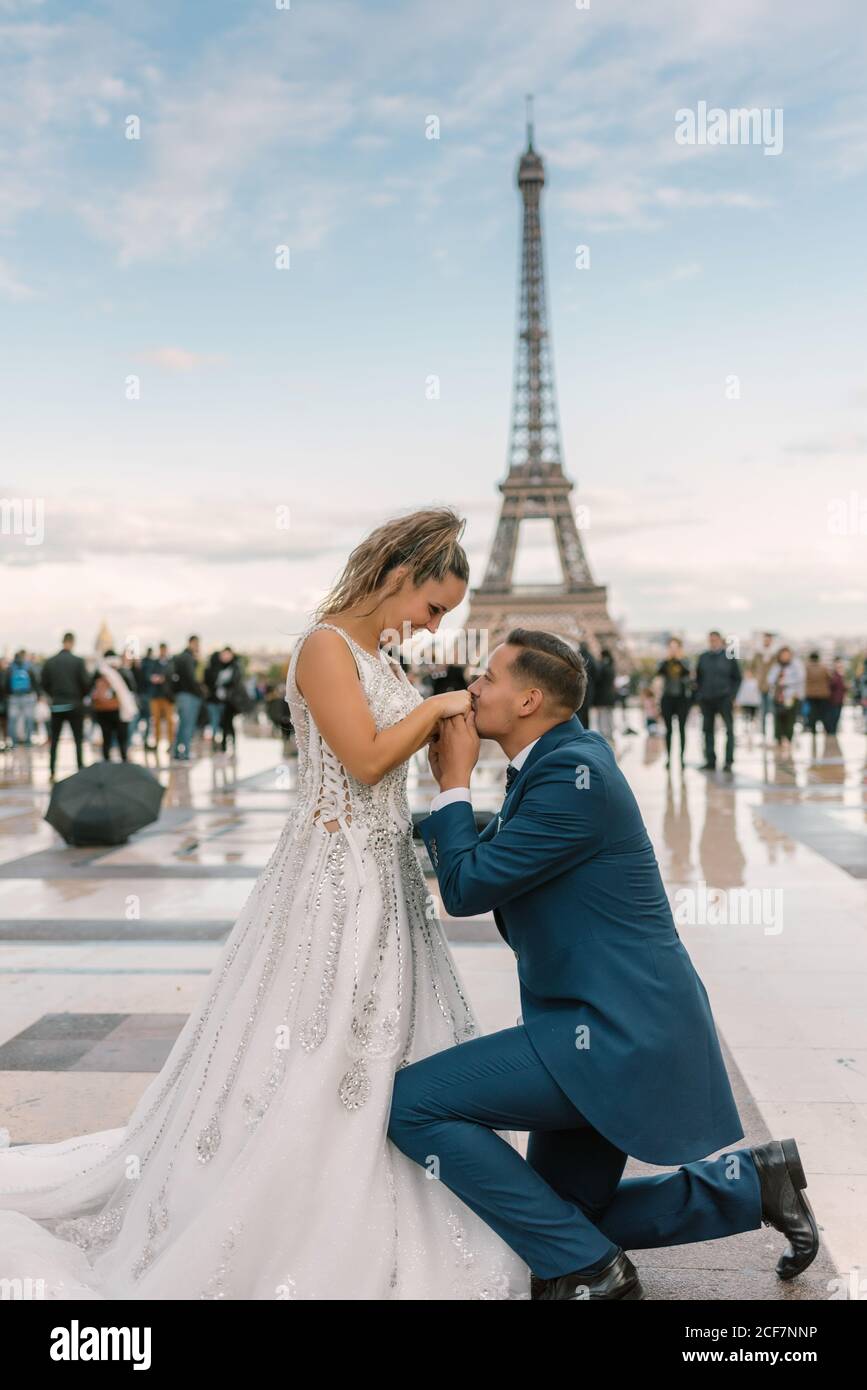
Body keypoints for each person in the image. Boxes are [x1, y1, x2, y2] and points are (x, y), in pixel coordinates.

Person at [0, 507, 529, 1299]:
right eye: (431, 607)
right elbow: (362, 759)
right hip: (332, 883)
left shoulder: (379, 659)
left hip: (382, 881)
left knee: (375, 1052)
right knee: (318, 1044)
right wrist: (436, 707)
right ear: (397, 576)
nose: (430, 627)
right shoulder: (323, 646)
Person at [387, 629, 819, 1300]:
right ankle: (750, 1186)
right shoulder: (563, 757)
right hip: (603, 1022)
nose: (471, 688)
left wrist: (451, 783)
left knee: (412, 1106)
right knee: (562, 1212)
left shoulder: (569, 777)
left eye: (487, 677)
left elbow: (468, 887)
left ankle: (590, 1271)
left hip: (615, 1034)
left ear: (528, 699)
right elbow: (492, 848)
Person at [39, 632, 93, 780]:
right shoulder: (78, 661)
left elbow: (44, 683)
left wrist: (54, 696)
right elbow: (86, 684)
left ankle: (52, 770)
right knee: (78, 740)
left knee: (54, 740)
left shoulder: (50, 662)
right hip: (74, 704)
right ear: (72, 642)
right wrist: (79, 697)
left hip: (57, 705)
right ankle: (80, 767)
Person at [694, 631, 741, 773]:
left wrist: (732, 696)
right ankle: (710, 760)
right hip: (707, 699)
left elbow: (738, 678)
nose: (713, 642)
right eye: (711, 640)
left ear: (721, 641)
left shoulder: (729, 657)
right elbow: (698, 679)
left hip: (724, 698)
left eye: (715, 640)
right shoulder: (703, 657)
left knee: (729, 730)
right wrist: (699, 696)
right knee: (707, 730)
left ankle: (728, 761)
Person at [90, 650, 138, 761]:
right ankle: (124, 762)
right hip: (119, 710)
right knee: (122, 739)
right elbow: (132, 689)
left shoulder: (99, 672)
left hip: (102, 710)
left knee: (106, 738)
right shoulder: (122, 671)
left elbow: (90, 690)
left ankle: (107, 762)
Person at [655, 637, 691, 768]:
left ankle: (682, 758)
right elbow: (658, 672)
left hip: (681, 698)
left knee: (682, 729)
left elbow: (688, 674)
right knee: (668, 730)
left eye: (676, 647)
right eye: (671, 647)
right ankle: (669, 758)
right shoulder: (665, 662)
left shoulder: (685, 661)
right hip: (668, 698)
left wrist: (679, 659)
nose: (673, 650)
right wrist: (668, 659)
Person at [170, 636, 205, 762]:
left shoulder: (178, 657)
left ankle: (176, 752)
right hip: (190, 695)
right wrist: (200, 693)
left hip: (180, 695)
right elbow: (192, 679)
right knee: (188, 725)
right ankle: (185, 753)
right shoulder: (188, 658)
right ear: (193, 643)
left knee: (182, 724)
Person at [767, 646, 805, 757]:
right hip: (778, 696)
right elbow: (770, 679)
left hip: (791, 695)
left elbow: (800, 679)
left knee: (790, 718)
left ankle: (788, 738)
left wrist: (786, 682)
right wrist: (778, 681)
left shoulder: (796, 665)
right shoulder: (776, 666)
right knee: (778, 718)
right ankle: (778, 738)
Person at [5, 649, 38, 746]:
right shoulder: (28, 667)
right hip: (28, 696)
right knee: (29, 719)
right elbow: (35, 681)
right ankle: (28, 741)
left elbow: (5, 683)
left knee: (12, 720)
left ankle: (13, 742)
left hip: (13, 697)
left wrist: (8, 693)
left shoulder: (10, 668)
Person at [148, 643, 175, 753]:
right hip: (156, 695)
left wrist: (164, 679)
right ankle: (157, 742)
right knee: (156, 720)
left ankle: (171, 743)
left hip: (167, 696)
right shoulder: (154, 663)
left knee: (169, 720)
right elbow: (149, 675)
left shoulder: (171, 663)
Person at [754, 632, 777, 741]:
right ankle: (763, 733)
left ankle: (774, 734)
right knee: (763, 710)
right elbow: (753, 667)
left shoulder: (775, 654)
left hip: (773, 686)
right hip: (761, 685)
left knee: (772, 710)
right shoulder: (758, 654)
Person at [591, 648, 616, 742]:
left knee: (602, 716)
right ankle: (610, 734)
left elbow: (597, 679)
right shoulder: (611, 666)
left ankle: (603, 735)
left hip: (601, 696)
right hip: (610, 696)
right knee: (609, 715)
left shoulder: (602, 667)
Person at [804, 652, 831, 733]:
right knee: (823, 712)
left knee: (812, 712)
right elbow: (829, 678)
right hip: (823, 694)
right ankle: (826, 728)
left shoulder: (806, 668)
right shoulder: (823, 667)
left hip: (810, 694)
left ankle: (812, 728)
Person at [826, 658, 847, 735]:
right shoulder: (835, 676)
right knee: (834, 716)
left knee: (837, 716)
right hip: (834, 700)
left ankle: (833, 731)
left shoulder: (840, 676)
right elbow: (831, 686)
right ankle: (832, 731)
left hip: (839, 700)